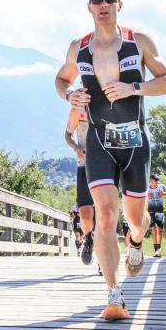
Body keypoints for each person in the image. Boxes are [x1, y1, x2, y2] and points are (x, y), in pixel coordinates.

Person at [55, 0, 166, 321]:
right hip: (98, 140)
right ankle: (114, 294)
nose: (103, 5)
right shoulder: (79, 47)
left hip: (134, 141)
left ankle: (135, 241)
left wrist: (133, 87)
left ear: (119, 5)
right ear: (89, 7)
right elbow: (61, 79)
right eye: (98, 0)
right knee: (105, 215)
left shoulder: (139, 42)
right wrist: (69, 95)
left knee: (136, 220)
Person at [65, 107, 95, 264]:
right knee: (85, 214)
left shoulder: (109, 102)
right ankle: (88, 238)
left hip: (106, 164)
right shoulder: (76, 110)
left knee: (104, 213)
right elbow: (68, 135)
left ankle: (103, 261)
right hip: (84, 164)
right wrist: (76, 147)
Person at [148, 174, 166, 257]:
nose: (157, 181)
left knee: (160, 230)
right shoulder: (147, 188)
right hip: (150, 211)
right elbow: (141, 196)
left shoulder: (161, 186)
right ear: (151, 180)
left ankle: (159, 249)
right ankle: (156, 250)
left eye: (157, 180)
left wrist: (164, 193)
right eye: (155, 180)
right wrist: (146, 196)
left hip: (160, 211)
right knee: (153, 230)